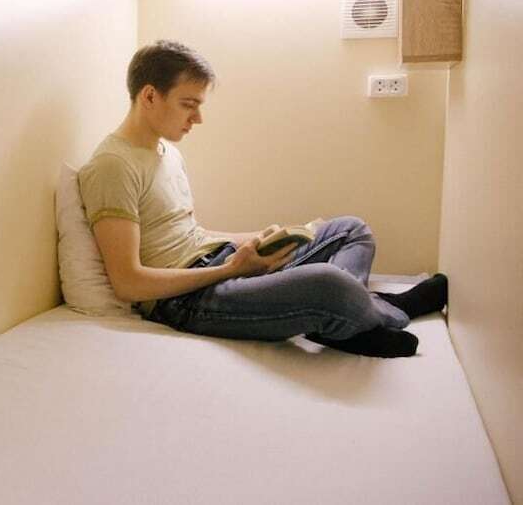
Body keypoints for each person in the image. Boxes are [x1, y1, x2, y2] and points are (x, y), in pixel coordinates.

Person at [78, 40, 448, 358]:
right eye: (189, 104)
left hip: (218, 261)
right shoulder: (113, 166)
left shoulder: (167, 152)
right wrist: (230, 270)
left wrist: (258, 239)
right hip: (185, 300)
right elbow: (129, 283)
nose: (198, 118)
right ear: (149, 96)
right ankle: (385, 310)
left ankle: (347, 319)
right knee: (328, 283)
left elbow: (189, 235)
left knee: (351, 230)